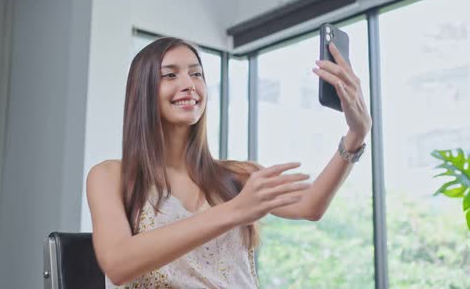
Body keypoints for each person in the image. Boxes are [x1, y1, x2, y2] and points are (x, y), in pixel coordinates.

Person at [86, 37, 372, 288]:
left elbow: (310, 205)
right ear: (143, 91)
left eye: (196, 74)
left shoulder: (236, 176)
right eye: (170, 75)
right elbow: (118, 263)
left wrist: (356, 134)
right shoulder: (110, 176)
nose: (189, 84)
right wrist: (236, 210)